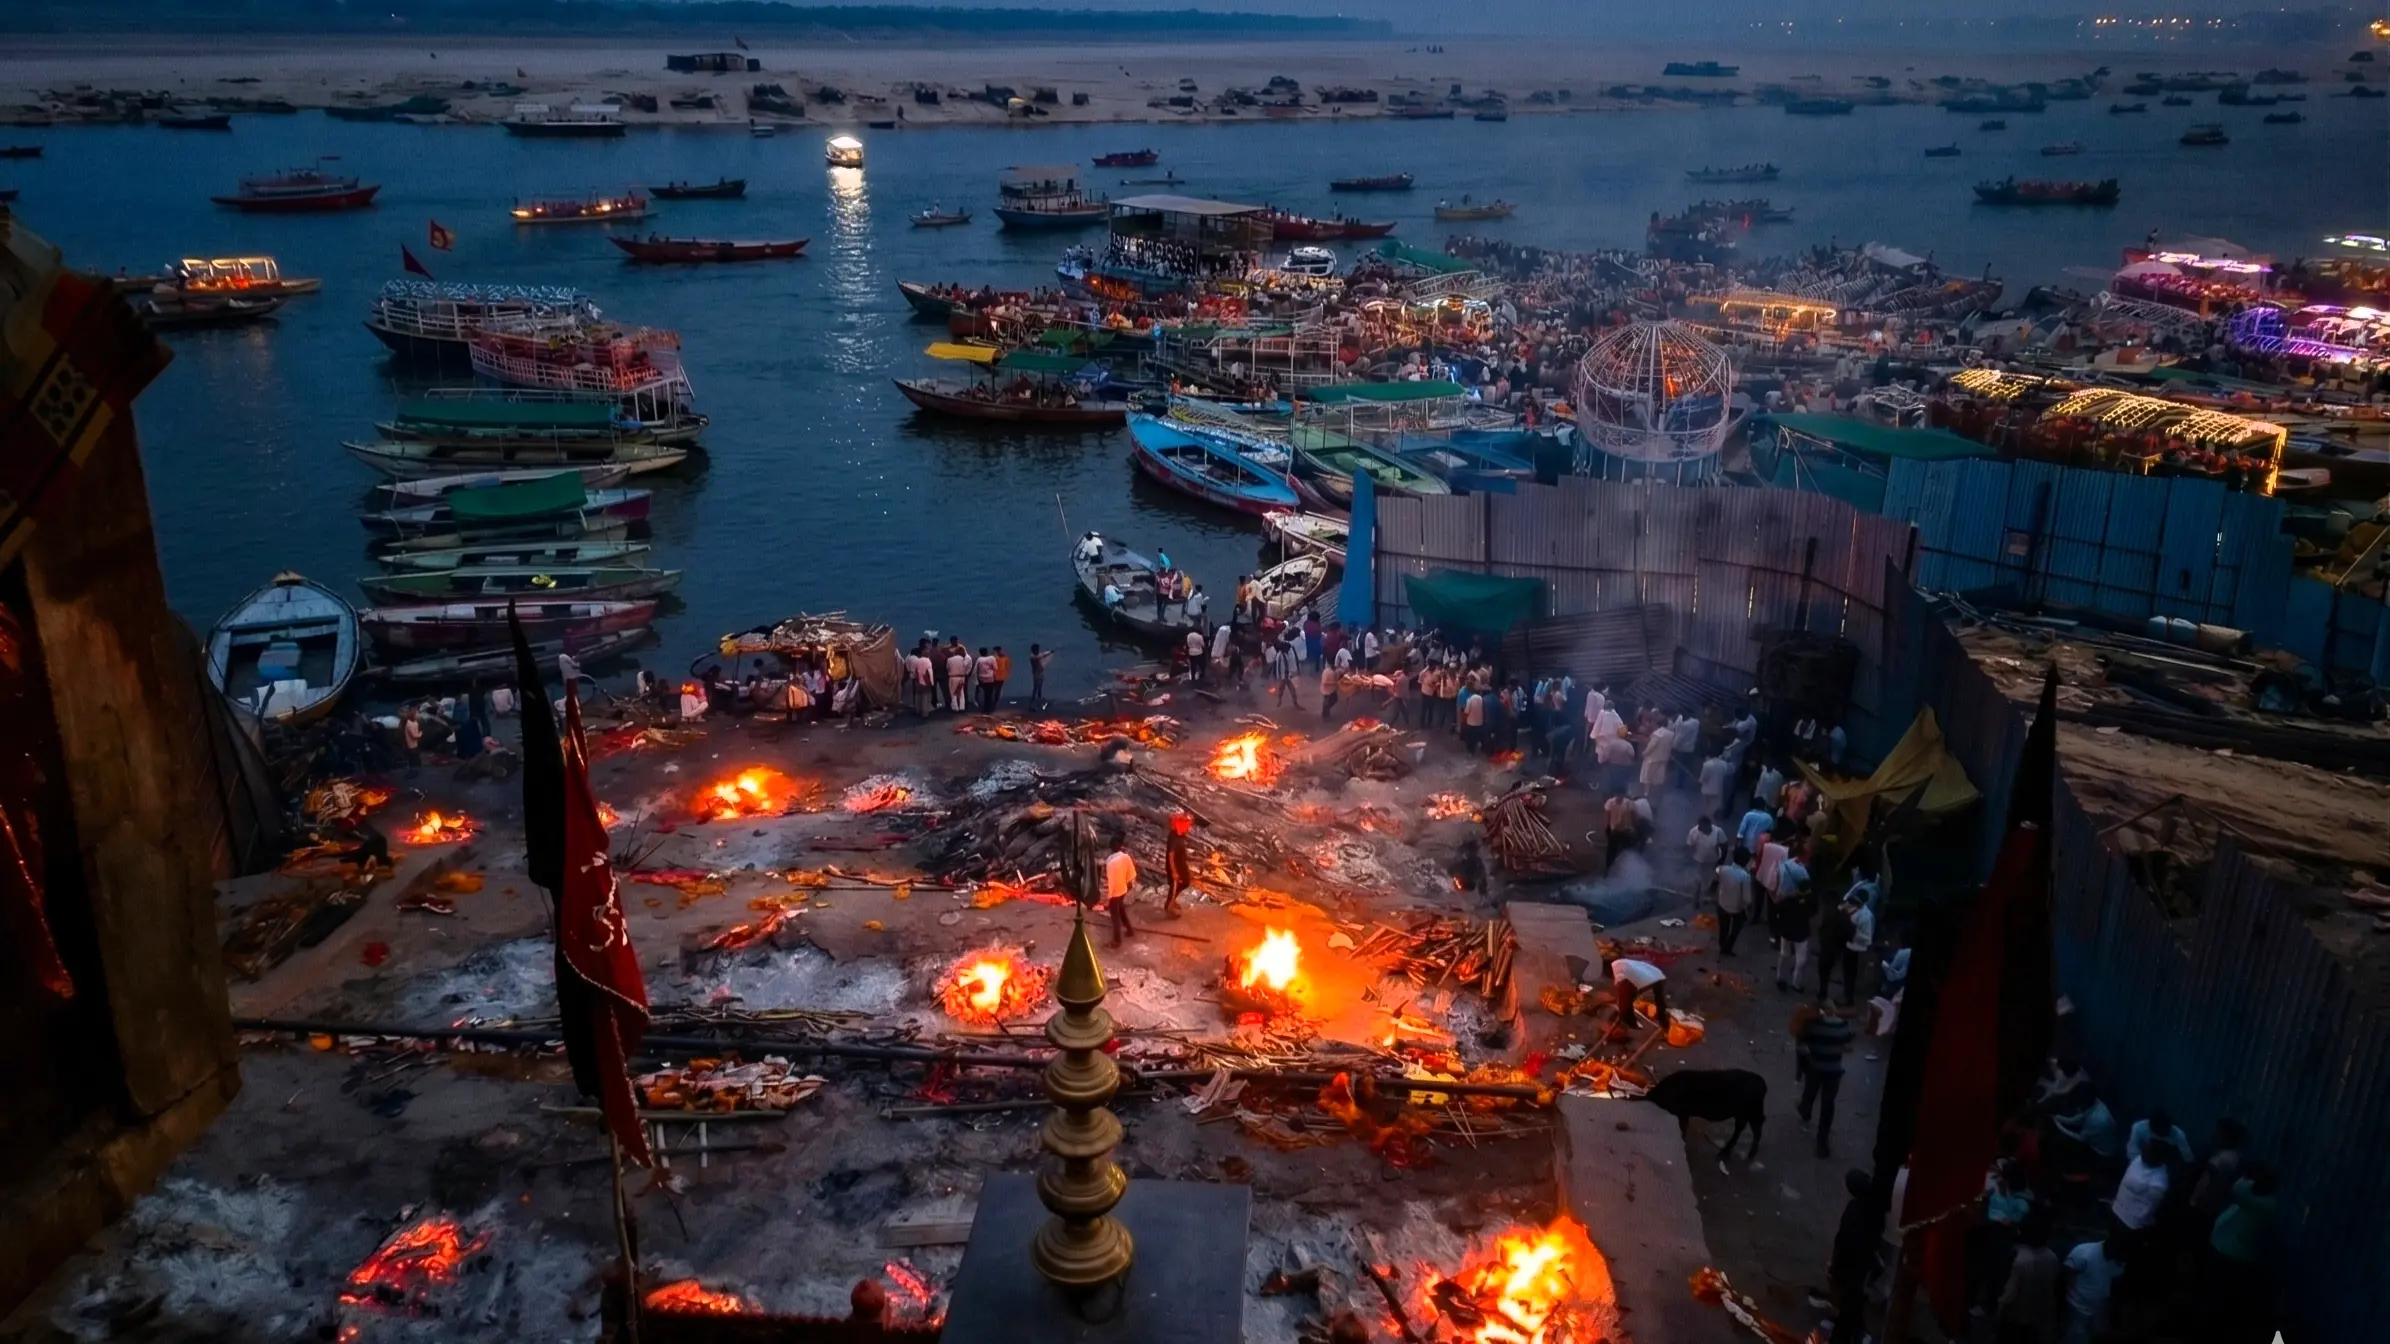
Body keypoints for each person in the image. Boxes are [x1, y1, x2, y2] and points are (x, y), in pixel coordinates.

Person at [2205, 1164, 2276, 1344]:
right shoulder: (2254, 1201)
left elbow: (2237, 1189)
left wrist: (2245, 1180)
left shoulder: (2264, 1204)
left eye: (2250, 1179)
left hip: (2232, 1262)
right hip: (2225, 1257)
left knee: (2219, 1304)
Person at [1825, 1168, 1877, 1344]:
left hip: (1849, 1270)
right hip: (1860, 1269)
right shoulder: (1871, 1210)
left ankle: (1847, 1336)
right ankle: (1858, 1332)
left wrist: (1834, 1265)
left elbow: (1843, 1241)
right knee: (1853, 1305)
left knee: (1849, 1309)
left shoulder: (1853, 1211)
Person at [1796, 1001, 1852, 1156]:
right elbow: (1846, 1042)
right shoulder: (1842, 1026)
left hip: (1815, 1068)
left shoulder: (1813, 1027)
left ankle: (1805, 1110)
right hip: (1834, 1071)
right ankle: (1822, 1142)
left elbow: (1802, 1042)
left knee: (1810, 1092)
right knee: (1828, 1105)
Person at [1996, 1215, 2062, 1344]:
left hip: (2015, 1319)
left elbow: (2009, 1295)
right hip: (2038, 1318)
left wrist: (1998, 1312)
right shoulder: (2052, 1257)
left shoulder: (2020, 1259)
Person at [2058, 1233, 2118, 1344]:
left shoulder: (2120, 1261)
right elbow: (2063, 1278)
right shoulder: (2083, 1252)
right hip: (2075, 1310)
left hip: (2100, 1313)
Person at [1605, 954, 1668, 1030]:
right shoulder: (1622, 962)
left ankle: (1627, 1023)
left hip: (1646, 980)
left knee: (1624, 1004)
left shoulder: (1617, 970)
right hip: (1657, 975)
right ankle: (1663, 1022)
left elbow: (1622, 994)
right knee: (1658, 1000)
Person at [1716, 848, 1754, 956]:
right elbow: (1747, 898)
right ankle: (1728, 947)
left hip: (1722, 904)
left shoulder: (1723, 869)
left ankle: (1722, 945)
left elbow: (1717, 871)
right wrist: (1749, 906)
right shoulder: (1744, 876)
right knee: (1736, 928)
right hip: (1736, 907)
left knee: (1724, 927)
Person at [2125, 1108, 2190, 1167]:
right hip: (2141, 1164)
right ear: (2150, 1127)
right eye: (2160, 1132)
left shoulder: (2178, 1135)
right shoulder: (2138, 1128)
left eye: (2165, 1132)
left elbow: (2188, 1159)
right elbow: (2132, 1152)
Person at [1103, 838, 1138, 947]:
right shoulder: (1126, 857)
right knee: (1121, 910)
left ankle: (1117, 940)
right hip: (1123, 888)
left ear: (1111, 848)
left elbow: (1111, 879)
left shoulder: (1110, 861)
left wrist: (1110, 894)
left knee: (1115, 915)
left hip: (1115, 891)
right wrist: (1128, 883)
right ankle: (1129, 929)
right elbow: (1131, 872)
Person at [1686, 815, 1726, 902]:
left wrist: (1721, 860)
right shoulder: (1694, 832)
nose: (1699, 829)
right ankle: (1696, 898)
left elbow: (1724, 846)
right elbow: (1690, 845)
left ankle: (1711, 896)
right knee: (1698, 880)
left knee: (1714, 878)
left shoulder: (1718, 832)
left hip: (1713, 860)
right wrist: (1691, 858)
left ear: (1708, 825)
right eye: (1699, 826)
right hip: (1699, 860)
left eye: (1702, 827)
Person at [1164, 812, 1194, 917]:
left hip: (1181, 864)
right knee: (1174, 886)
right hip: (1175, 866)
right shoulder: (1174, 837)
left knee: (1186, 882)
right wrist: (1174, 872)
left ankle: (1172, 900)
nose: (1188, 828)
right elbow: (1171, 855)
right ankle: (1169, 906)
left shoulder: (1180, 834)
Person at [1698, 752, 1732, 819]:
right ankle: (1707, 819)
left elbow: (1703, 778)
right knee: (1712, 809)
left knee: (1705, 807)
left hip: (1706, 790)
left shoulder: (1707, 765)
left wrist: (1699, 781)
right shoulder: (1724, 764)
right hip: (1717, 790)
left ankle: (1704, 819)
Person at [945, 645, 970, 713]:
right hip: (961, 677)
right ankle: (962, 707)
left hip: (953, 678)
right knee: (961, 693)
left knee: (953, 693)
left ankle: (955, 708)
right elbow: (965, 666)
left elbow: (947, 668)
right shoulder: (963, 659)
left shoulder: (949, 659)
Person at [1029, 643, 1052, 709]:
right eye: (1037, 649)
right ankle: (1032, 704)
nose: (1038, 650)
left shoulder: (1037, 655)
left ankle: (1038, 702)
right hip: (1036, 674)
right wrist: (1049, 652)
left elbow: (1042, 655)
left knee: (1039, 688)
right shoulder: (1033, 657)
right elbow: (1042, 656)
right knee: (1036, 688)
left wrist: (1050, 652)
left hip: (1041, 673)